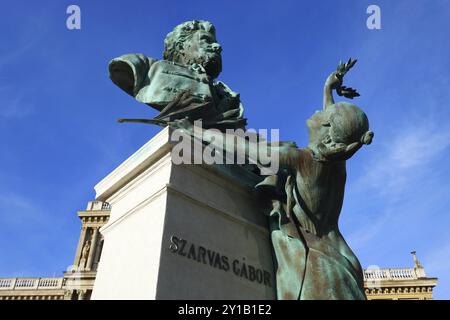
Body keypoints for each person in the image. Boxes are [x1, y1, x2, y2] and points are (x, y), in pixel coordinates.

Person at [170, 59, 373, 299]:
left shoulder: (301, 159)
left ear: (327, 129)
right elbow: (341, 131)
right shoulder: (337, 162)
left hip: (319, 262)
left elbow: (243, 148)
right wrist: (328, 89)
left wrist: (195, 131)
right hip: (344, 259)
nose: (318, 111)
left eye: (324, 113)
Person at [109, 20, 246, 131]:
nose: (217, 46)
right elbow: (120, 68)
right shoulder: (148, 68)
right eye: (206, 40)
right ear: (181, 46)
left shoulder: (224, 93)